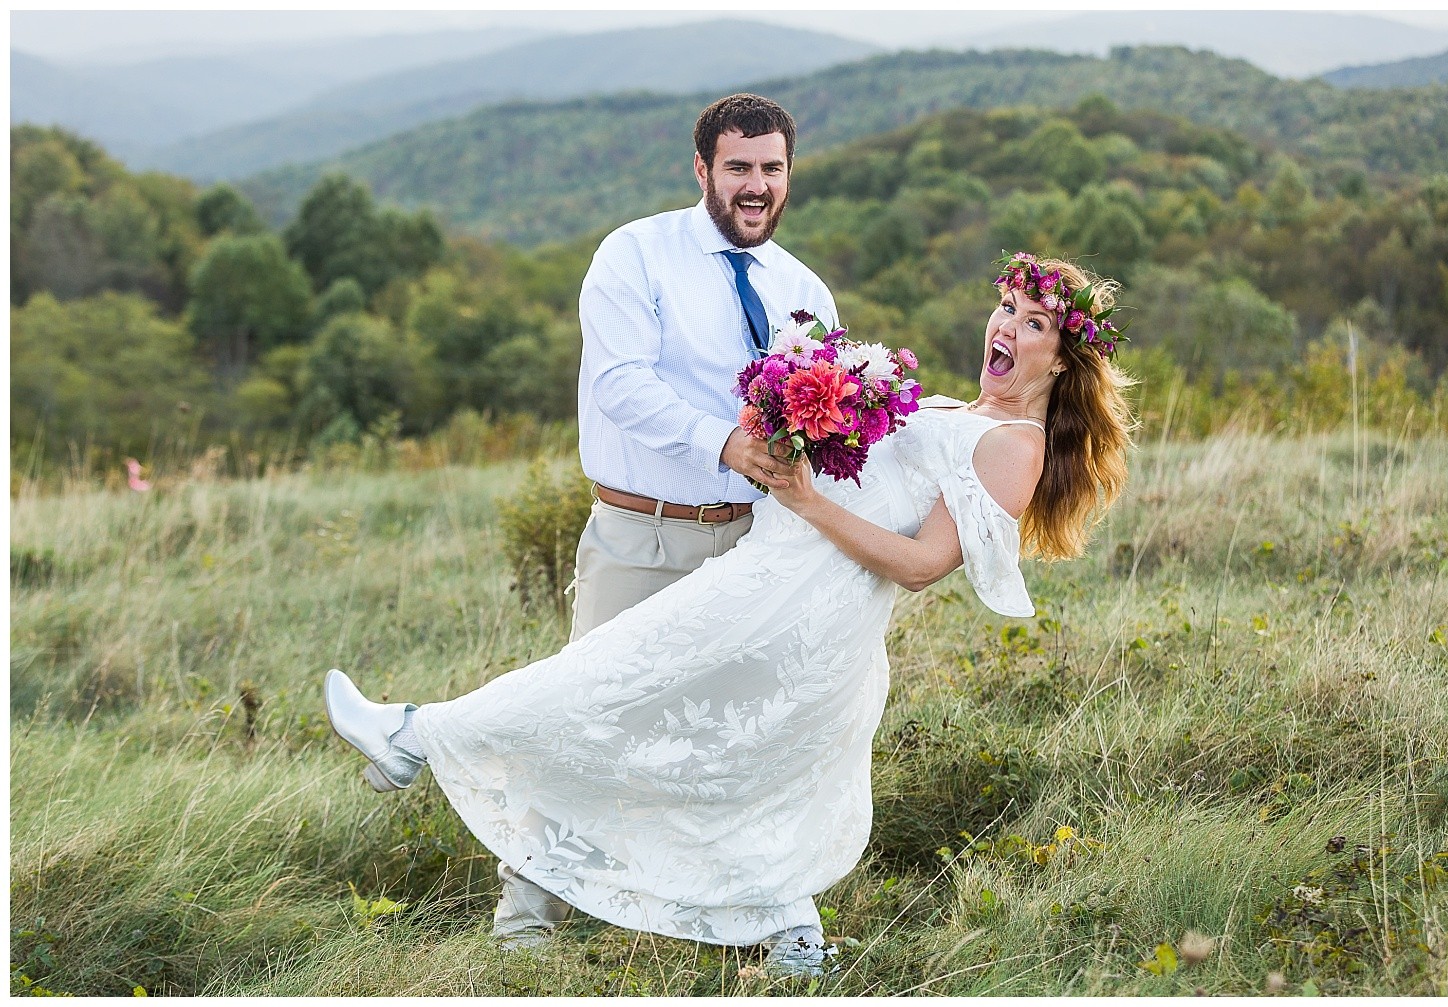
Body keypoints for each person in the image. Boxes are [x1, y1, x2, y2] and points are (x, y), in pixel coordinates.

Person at [324, 254, 1133, 974]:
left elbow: (922, 565)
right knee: (719, 748)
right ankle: (788, 934)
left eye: (1035, 324)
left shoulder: (1016, 444)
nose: (1009, 327)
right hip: (770, 579)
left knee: (618, 690)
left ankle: (411, 735)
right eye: (1008, 308)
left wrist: (809, 502)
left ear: (1063, 360)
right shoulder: (964, 412)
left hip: (805, 610)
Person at [571, 92, 837, 640]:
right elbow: (619, 383)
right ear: (702, 169)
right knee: (598, 718)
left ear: (789, 174)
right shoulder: (634, 253)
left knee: (733, 724)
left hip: (758, 545)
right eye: (737, 167)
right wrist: (724, 443)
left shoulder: (805, 289)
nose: (756, 186)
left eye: (772, 168)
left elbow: (824, 409)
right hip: (645, 545)